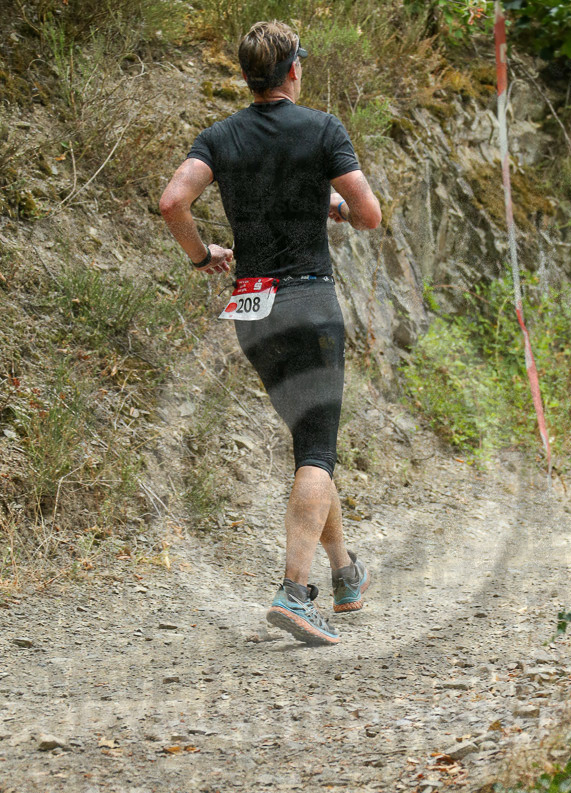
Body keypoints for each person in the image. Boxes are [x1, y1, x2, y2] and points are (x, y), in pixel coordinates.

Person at [159, 19, 382, 646]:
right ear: (293, 70)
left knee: (311, 442)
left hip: (253, 308)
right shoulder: (322, 129)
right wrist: (332, 204)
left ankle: (344, 574)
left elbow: (173, 201)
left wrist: (203, 257)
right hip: (309, 300)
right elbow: (368, 214)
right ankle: (293, 592)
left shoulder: (220, 136)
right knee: (318, 450)